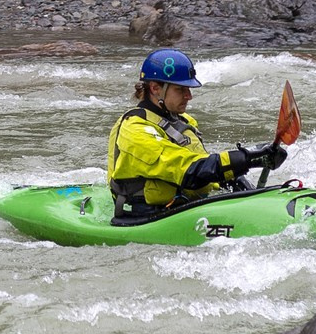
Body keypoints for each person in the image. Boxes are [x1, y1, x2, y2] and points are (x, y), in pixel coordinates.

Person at [106, 49, 286, 222]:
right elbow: (188, 172)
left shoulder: (184, 121)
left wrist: (256, 159)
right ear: (155, 88)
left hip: (184, 205)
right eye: (181, 89)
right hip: (146, 216)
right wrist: (245, 158)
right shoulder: (135, 129)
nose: (189, 96)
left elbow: (204, 166)